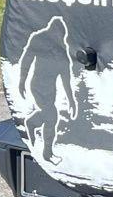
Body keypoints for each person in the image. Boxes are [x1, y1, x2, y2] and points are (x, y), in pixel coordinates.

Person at [18, 17, 77, 164]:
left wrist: (71, 101)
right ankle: (48, 154)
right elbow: (27, 59)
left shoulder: (62, 50)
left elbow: (66, 79)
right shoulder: (39, 39)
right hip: (38, 85)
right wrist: (22, 81)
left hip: (50, 89)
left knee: (47, 114)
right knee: (51, 116)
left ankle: (32, 123)